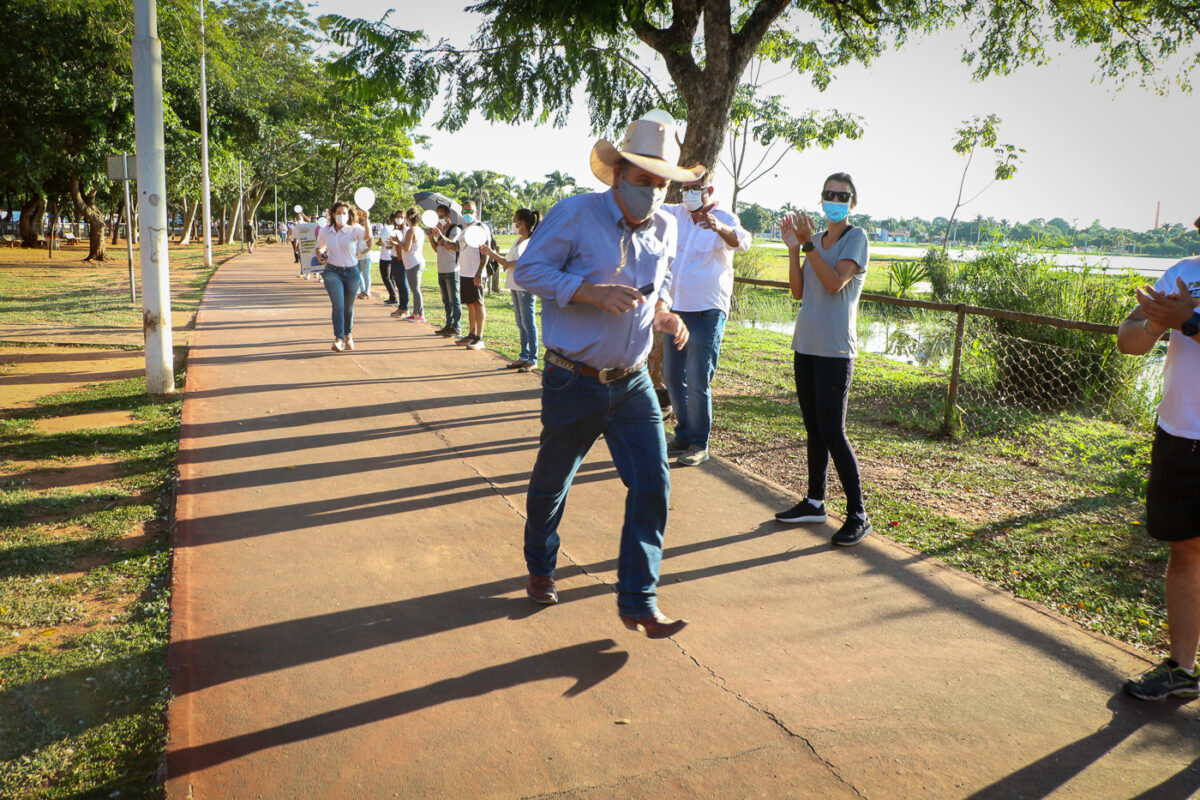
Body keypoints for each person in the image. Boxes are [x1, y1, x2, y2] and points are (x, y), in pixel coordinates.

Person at [512, 115, 698, 638]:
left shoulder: (665, 227)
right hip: (573, 379)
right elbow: (525, 273)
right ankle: (541, 567)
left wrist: (666, 314)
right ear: (616, 174)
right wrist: (590, 291)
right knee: (552, 483)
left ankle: (639, 599)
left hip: (634, 382)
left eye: (662, 185)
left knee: (653, 485)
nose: (654, 195)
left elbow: (658, 288)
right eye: (644, 183)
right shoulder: (574, 215)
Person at [1118, 239, 1200, 701]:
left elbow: (1187, 325)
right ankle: (1183, 670)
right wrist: (1154, 322)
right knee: (1185, 551)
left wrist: (1187, 322)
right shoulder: (1184, 271)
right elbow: (1127, 343)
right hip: (1181, 435)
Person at [774, 173, 872, 547]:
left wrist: (808, 248)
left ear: (852, 202)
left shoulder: (855, 238)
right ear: (821, 199)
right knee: (814, 428)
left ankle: (858, 514)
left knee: (833, 431)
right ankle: (815, 502)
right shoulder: (812, 241)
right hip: (806, 347)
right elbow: (798, 292)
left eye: (842, 195)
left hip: (834, 351)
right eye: (830, 194)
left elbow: (835, 283)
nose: (835, 199)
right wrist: (793, 249)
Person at [660, 170, 751, 466]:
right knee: (673, 376)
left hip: (707, 312)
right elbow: (648, 206)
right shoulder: (676, 215)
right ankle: (683, 434)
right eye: (685, 188)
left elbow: (742, 241)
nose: (689, 193)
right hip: (677, 311)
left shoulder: (724, 216)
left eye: (695, 188)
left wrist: (718, 227)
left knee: (698, 377)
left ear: (708, 189)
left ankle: (699, 442)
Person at [480, 208, 541, 371]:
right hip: (514, 284)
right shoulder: (518, 241)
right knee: (521, 322)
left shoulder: (531, 241)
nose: (513, 224)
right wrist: (489, 252)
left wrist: (511, 264)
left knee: (529, 322)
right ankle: (524, 355)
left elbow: (528, 262)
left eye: (515, 221)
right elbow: (505, 261)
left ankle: (533, 358)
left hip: (525, 286)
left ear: (522, 223)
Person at [315, 201, 369, 352]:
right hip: (332, 271)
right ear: (333, 214)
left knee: (348, 307)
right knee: (338, 304)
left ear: (349, 215)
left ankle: (348, 335)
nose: (341, 216)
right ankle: (338, 338)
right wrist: (320, 255)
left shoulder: (354, 229)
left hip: (352, 272)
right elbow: (319, 247)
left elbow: (366, 236)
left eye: (344, 213)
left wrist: (367, 219)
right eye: (338, 213)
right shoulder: (326, 231)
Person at [451, 202, 488, 349]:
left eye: (470, 211)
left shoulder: (480, 227)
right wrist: (439, 236)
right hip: (465, 272)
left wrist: (479, 272)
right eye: (464, 211)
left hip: (476, 273)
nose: (467, 213)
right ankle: (471, 334)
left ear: (476, 212)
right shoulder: (464, 229)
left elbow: (486, 252)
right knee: (470, 304)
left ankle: (479, 337)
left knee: (478, 304)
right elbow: (456, 247)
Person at [428, 204, 463, 337]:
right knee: (446, 300)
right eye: (437, 217)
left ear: (448, 216)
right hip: (441, 268)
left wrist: (441, 235)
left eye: (441, 216)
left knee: (454, 299)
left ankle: (456, 326)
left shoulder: (455, 230)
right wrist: (432, 238)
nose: (439, 219)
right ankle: (449, 324)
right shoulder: (439, 231)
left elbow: (452, 246)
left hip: (452, 269)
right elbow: (438, 249)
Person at [398, 206, 426, 322]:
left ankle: (420, 314)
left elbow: (406, 248)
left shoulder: (411, 230)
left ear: (408, 218)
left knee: (415, 289)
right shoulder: (420, 230)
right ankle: (415, 313)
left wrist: (398, 242)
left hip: (413, 263)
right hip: (417, 261)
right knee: (415, 288)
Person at [376, 210, 400, 306]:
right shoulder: (396, 230)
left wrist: (377, 243)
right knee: (391, 277)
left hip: (385, 256)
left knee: (386, 278)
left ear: (390, 219)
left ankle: (393, 296)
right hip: (392, 255)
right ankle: (392, 296)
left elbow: (380, 242)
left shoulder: (386, 229)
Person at [354, 207, 373, 299]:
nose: (361, 222)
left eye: (362, 220)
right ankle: (362, 290)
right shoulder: (358, 231)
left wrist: (361, 253)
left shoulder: (368, 233)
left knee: (366, 275)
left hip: (365, 257)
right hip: (357, 258)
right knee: (358, 274)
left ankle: (367, 291)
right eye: (360, 220)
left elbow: (370, 247)